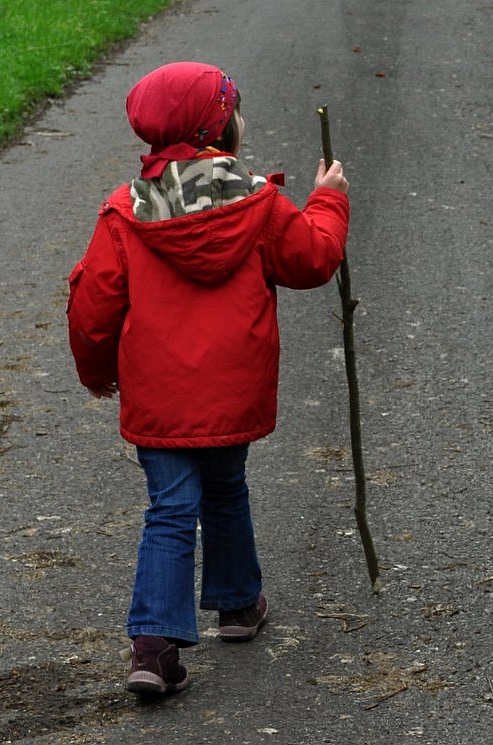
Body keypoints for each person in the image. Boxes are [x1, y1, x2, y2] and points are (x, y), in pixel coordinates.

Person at [67, 61, 351, 697]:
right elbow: (314, 259)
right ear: (220, 128)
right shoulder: (258, 202)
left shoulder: (125, 212)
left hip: (160, 399)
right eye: (235, 110)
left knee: (170, 509)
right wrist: (329, 199)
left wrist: (97, 373)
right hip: (232, 391)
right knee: (226, 487)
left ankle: (154, 647)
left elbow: (94, 309)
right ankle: (236, 604)